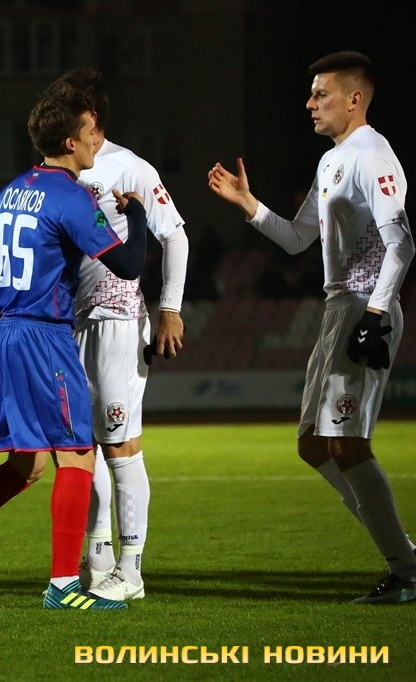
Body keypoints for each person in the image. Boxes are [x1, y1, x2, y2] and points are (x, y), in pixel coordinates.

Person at [0, 84, 148, 609]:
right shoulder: (71, 196)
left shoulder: (12, 190)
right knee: (78, 457)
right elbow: (129, 266)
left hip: (9, 335)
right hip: (45, 335)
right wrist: (139, 218)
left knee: (27, 465)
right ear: (70, 141)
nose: (96, 140)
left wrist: (3, 320)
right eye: (90, 131)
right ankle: (64, 586)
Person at [208, 50, 416, 604]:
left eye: (321, 94)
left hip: (363, 308)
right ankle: (406, 556)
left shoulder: (373, 155)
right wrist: (249, 204)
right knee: (312, 445)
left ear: (355, 99)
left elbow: (401, 245)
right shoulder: (331, 161)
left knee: (347, 444)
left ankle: (406, 571)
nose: (309, 103)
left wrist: (376, 314)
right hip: (337, 308)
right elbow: (300, 239)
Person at [50, 68, 189, 601]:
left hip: (117, 318)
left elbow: (175, 235)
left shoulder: (130, 167)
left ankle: (131, 570)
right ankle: (100, 557)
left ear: (90, 118)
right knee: (81, 446)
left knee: (120, 444)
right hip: (70, 323)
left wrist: (170, 308)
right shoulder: (62, 170)